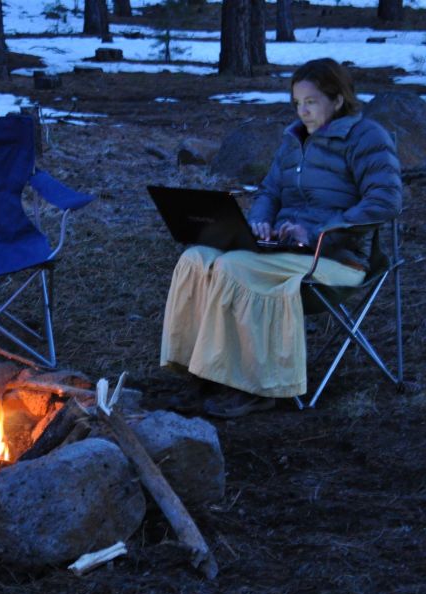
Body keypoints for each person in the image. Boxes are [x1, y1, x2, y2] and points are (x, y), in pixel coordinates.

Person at [161, 58, 402, 418]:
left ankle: (257, 387)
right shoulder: (293, 141)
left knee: (234, 267)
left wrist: (317, 231)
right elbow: (270, 193)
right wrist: (258, 222)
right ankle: (204, 373)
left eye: (311, 102)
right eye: (297, 103)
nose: (302, 112)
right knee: (196, 258)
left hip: (337, 260)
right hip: (285, 249)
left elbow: (386, 200)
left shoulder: (366, 137)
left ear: (337, 100)